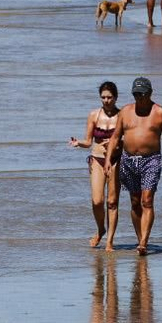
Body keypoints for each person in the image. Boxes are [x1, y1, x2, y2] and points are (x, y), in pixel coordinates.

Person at [105, 76, 162, 256]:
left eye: (142, 94)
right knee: (135, 202)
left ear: (150, 93)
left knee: (147, 200)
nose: (139, 98)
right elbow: (115, 137)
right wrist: (107, 160)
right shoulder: (126, 111)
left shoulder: (160, 112)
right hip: (128, 160)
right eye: (136, 94)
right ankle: (140, 240)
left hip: (151, 160)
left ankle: (144, 241)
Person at [68, 81, 122, 248]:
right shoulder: (94, 115)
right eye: (103, 97)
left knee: (112, 202)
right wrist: (78, 143)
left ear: (116, 97)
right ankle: (100, 229)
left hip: (116, 160)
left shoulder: (122, 115)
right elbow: (88, 141)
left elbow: (128, 140)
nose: (106, 100)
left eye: (109, 97)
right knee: (97, 201)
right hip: (97, 159)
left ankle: (109, 242)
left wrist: (116, 143)